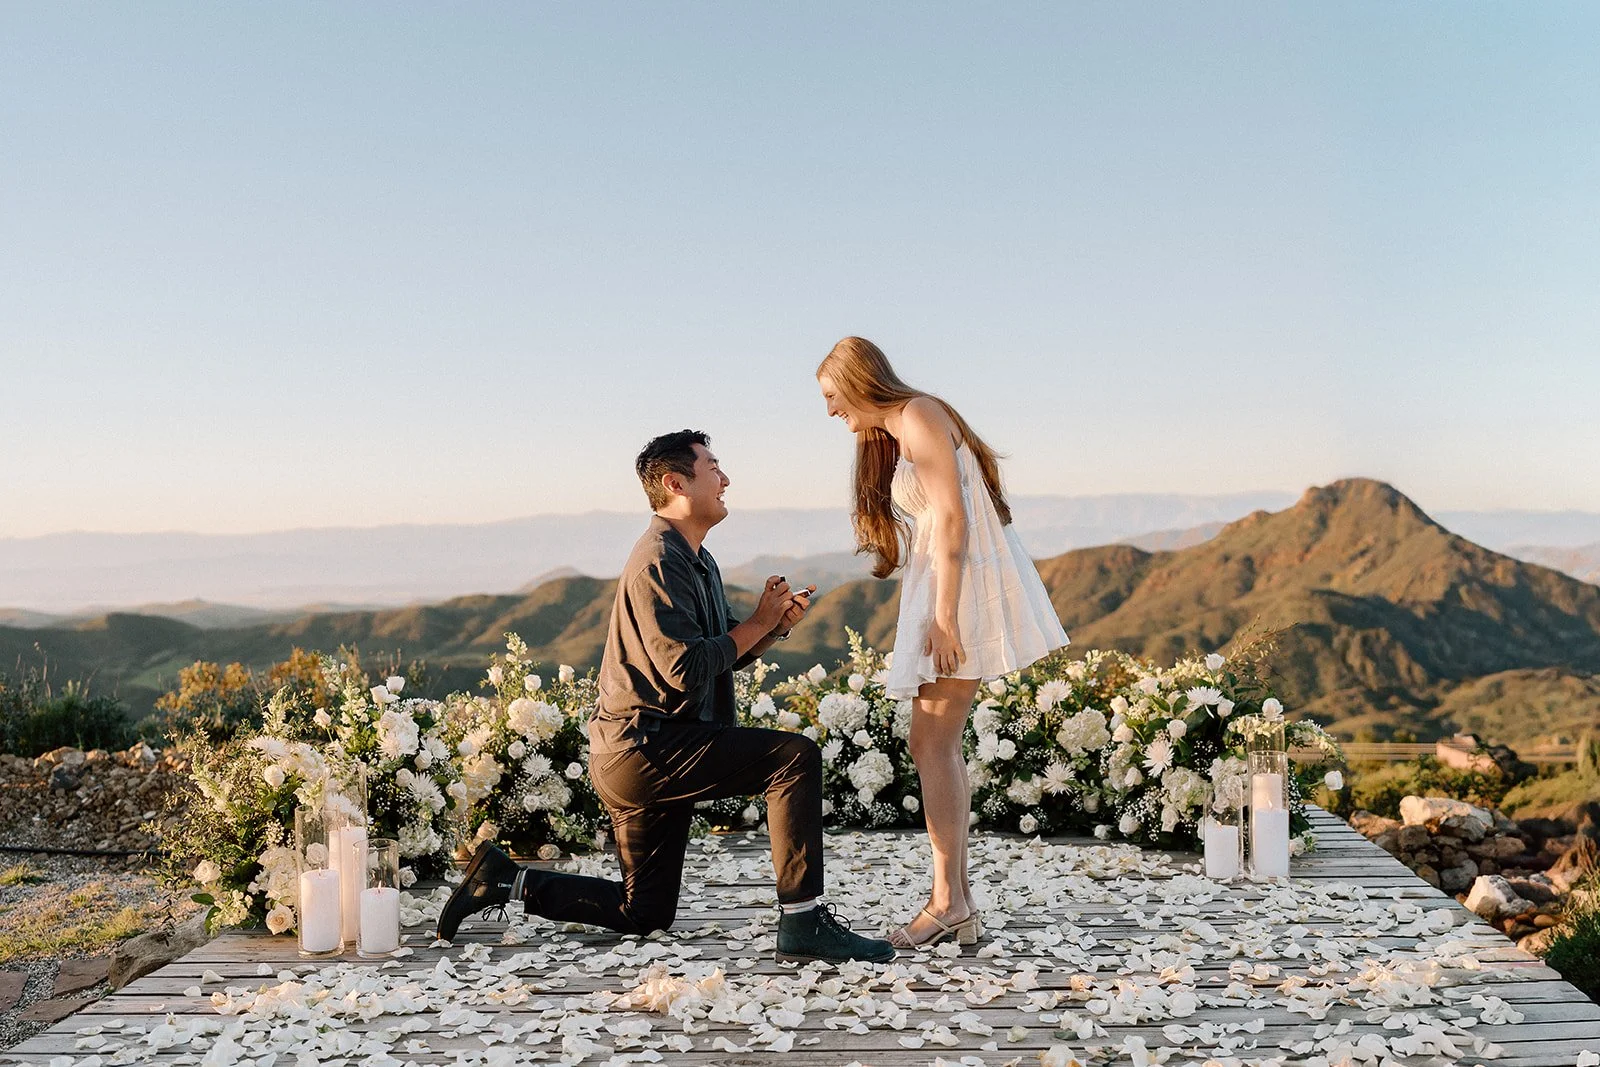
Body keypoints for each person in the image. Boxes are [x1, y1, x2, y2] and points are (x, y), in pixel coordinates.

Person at [436, 429, 895, 964]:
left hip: (657, 746)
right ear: (676, 483)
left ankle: (504, 881)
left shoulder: (697, 558)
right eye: (713, 468)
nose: (725, 480)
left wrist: (772, 628)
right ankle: (804, 923)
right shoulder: (659, 559)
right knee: (793, 759)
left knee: (645, 912)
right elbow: (683, 668)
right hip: (644, 748)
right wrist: (760, 623)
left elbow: (723, 650)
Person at [816, 337, 1069, 948]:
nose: (830, 412)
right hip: (945, 583)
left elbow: (952, 516)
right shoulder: (903, 426)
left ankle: (949, 900)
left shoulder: (920, 414)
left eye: (831, 396)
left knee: (932, 742)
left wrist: (948, 619)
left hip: (962, 591)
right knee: (934, 741)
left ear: (857, 381)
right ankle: (958, 900)